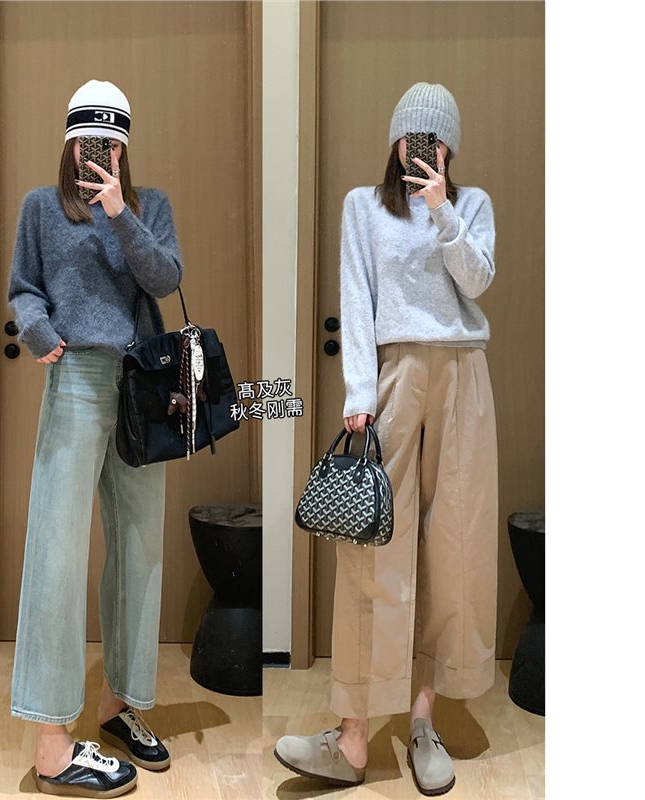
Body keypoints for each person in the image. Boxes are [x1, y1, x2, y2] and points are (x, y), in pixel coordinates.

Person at [274, 82, 498, 796]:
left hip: (463, 377)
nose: (422, 151)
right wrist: (359, 393)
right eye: (413, 138)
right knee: (372, 552)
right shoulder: (362, 207)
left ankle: (424, 721)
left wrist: (442, 211)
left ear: (450, 149)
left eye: (436, 141)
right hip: (395, 376)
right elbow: (356, 296)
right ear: (395, 140)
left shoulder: (470, 205)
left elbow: (477, 282)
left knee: (452, 550)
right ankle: (353, 736)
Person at [7, 79, 182, 798]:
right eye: (88, 142)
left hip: (141, 385)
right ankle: (52, 744)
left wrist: (119, 213)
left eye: (111, 144)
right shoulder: (40, 207)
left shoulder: (148, 205)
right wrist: (37, 328)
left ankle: (118, 706)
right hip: (75, 377)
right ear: (69, 143)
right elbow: (23, 287)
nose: (99, 155)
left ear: (124, 148)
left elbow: (165, 279)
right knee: (56, 549)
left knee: (139, 549)